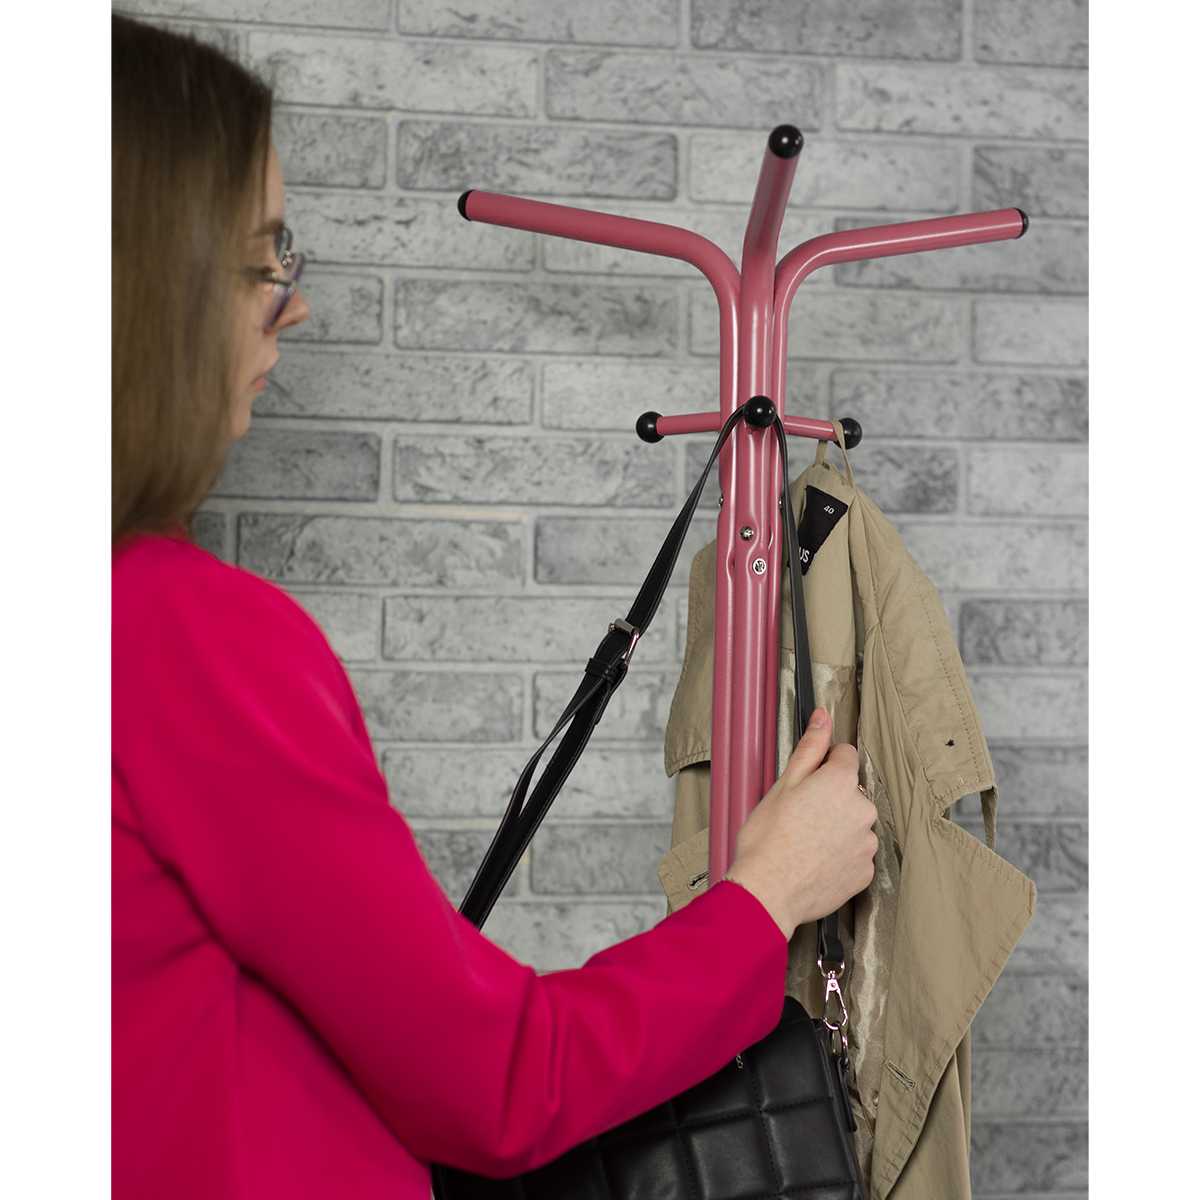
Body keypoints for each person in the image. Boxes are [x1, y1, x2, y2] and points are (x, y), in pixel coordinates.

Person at [111, 14, 879, 1199]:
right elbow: (502, 1084)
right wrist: (767, 894)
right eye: (262, 260)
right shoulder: (173, 634)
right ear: (146, 288)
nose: (291, 305)